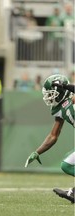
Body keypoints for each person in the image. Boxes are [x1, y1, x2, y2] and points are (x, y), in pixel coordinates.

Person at [25, 74, 75, 203]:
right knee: (67, 165)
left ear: (61, 91)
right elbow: (53, 135)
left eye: (52, 93)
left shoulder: (73, 99)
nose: (49, 97)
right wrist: (37, 152)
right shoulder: (60, 108)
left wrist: (65, 86)